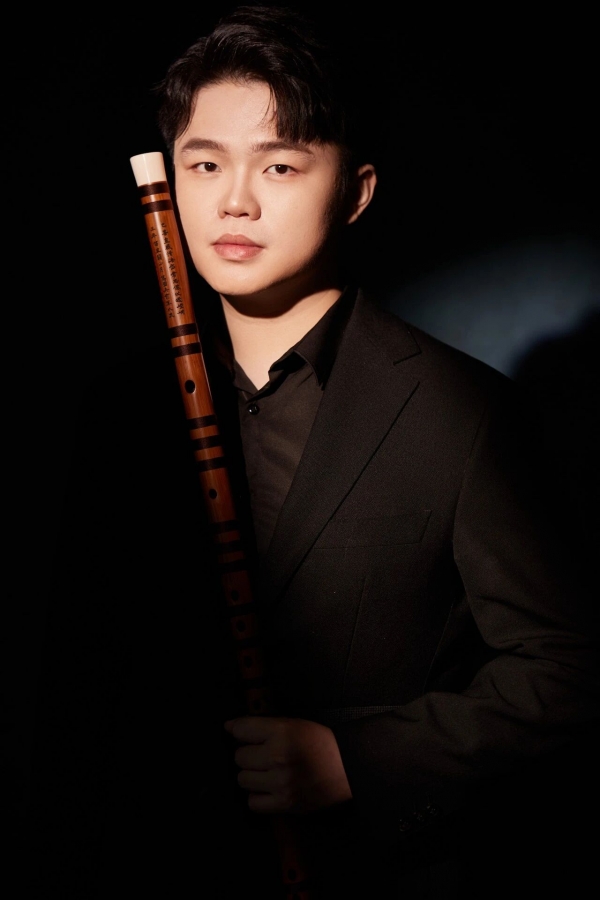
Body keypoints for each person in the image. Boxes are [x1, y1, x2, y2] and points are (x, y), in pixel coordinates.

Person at [30, 6, 598, 899]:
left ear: (356, 192)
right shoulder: (118, 414)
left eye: (280, 166)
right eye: (205, 164)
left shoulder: (462, 412)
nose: (235, 201)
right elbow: (75, 696)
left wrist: (354, 760)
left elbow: (572, 670)